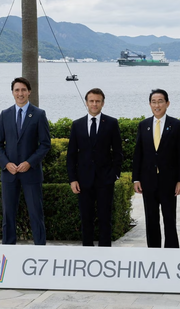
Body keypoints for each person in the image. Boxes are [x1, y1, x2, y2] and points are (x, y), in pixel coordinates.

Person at [0, 77, 51, 245]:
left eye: (23, 90)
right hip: (9, 174)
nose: (20, 93)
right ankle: (8, 249)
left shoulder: (39, 114)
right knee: (8, 215)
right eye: (17, 90)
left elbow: (45, 144)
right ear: (12, 93)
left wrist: (29, 162)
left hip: (31, 173)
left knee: (36, 214)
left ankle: (40, 249)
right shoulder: (5, 114)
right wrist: (5, 163)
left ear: (29, 92)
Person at [67, 88, 123, 247]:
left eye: (97, 101)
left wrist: (114, 175)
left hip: (105, 180)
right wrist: (73, 179)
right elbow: (71, 155)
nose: (94, 104)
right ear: (86, 103)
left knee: (105, 219)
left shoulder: (112, 123)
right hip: (83, 181)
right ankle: (87, 252)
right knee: (86, 219)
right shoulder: (77, 125)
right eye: (91, 101)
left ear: (103, 103)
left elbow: (118, 152)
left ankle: (105, 253)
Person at [132, 89, 180, 248]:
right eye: (154, 102)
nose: (157, 105)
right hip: (148, 181)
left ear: (167, 103)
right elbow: (138, 154)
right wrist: (136, 178)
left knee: (169, 219)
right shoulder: (143, 125)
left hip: (168, 181)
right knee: (151, 219)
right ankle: (153, 253)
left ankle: (172, 253)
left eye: (160, 101)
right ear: (150, 104)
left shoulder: (176, 125)